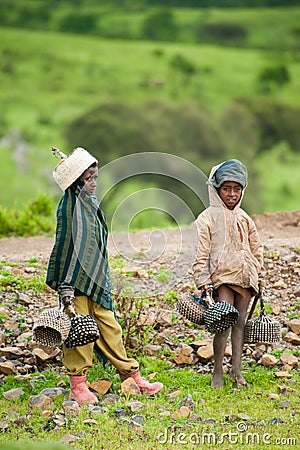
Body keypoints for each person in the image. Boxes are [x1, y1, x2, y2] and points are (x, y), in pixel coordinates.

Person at [46, 146, 163, 404]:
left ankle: (132, 377)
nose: (94, 183)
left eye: (95, 177)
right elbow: (65, 247)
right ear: (77, 181)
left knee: (110, 328)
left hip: (96, 281)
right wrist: (65, 287)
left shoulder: (92, 204)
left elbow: (96, 243)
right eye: (89, 178)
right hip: (74, 283)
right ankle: (78, 385)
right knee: (78, 333)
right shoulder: (68, 208)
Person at [192, 159, 263, 389]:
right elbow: (201, 253)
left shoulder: (245, 218)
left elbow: (257, 247)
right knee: (223, 323)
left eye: (236, 189)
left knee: (241, 323)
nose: (232, 194)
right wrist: (202, 280)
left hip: (245, 278)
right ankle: (217, 372)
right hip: (222, 278)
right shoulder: (207, 218)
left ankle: (237, 370)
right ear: (216, 189)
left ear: (243, 190)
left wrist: (256, 271)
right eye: (226, 189)